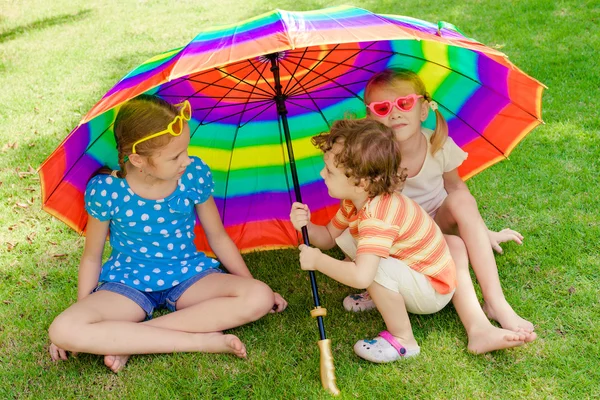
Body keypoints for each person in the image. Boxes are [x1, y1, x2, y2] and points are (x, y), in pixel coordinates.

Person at [48, 95, 287, 373]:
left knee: (258, 295)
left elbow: (218, 237)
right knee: (63, 329)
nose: (185, 160)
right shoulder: (106, 191)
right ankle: (201, 341)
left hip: (189, 275)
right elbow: (92, 258)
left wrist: (250, 283)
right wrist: (85, 311)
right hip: (126, 285)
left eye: (185, 150)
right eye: (175, 156)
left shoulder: (193, 174)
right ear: (138, 160)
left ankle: (128, 341)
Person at [290, 119, 527, 363]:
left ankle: (403, 340)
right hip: (417, 270)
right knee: (353, 239)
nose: (322, 174)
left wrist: (318, 261)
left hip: (431, 290)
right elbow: (329, 237)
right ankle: (383, 294)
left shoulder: (377, 216)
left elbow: (361, 276)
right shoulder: (356, 202)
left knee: (372, 268)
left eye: (329, 171)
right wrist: (307, 225)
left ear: (360, 183)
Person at [344, 67, 535, 338]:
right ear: (370, 116)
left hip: (437, 222)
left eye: (405, 103)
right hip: (403, 239)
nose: (395, 113)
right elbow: (369, 214)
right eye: (382, 108)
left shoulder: (437, 144)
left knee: (461, 199)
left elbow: (456, 187)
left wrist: (478, 231)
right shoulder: (371, 159)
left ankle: (495, 301)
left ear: (423, 110)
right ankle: (473, 324)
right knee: (454, 245)